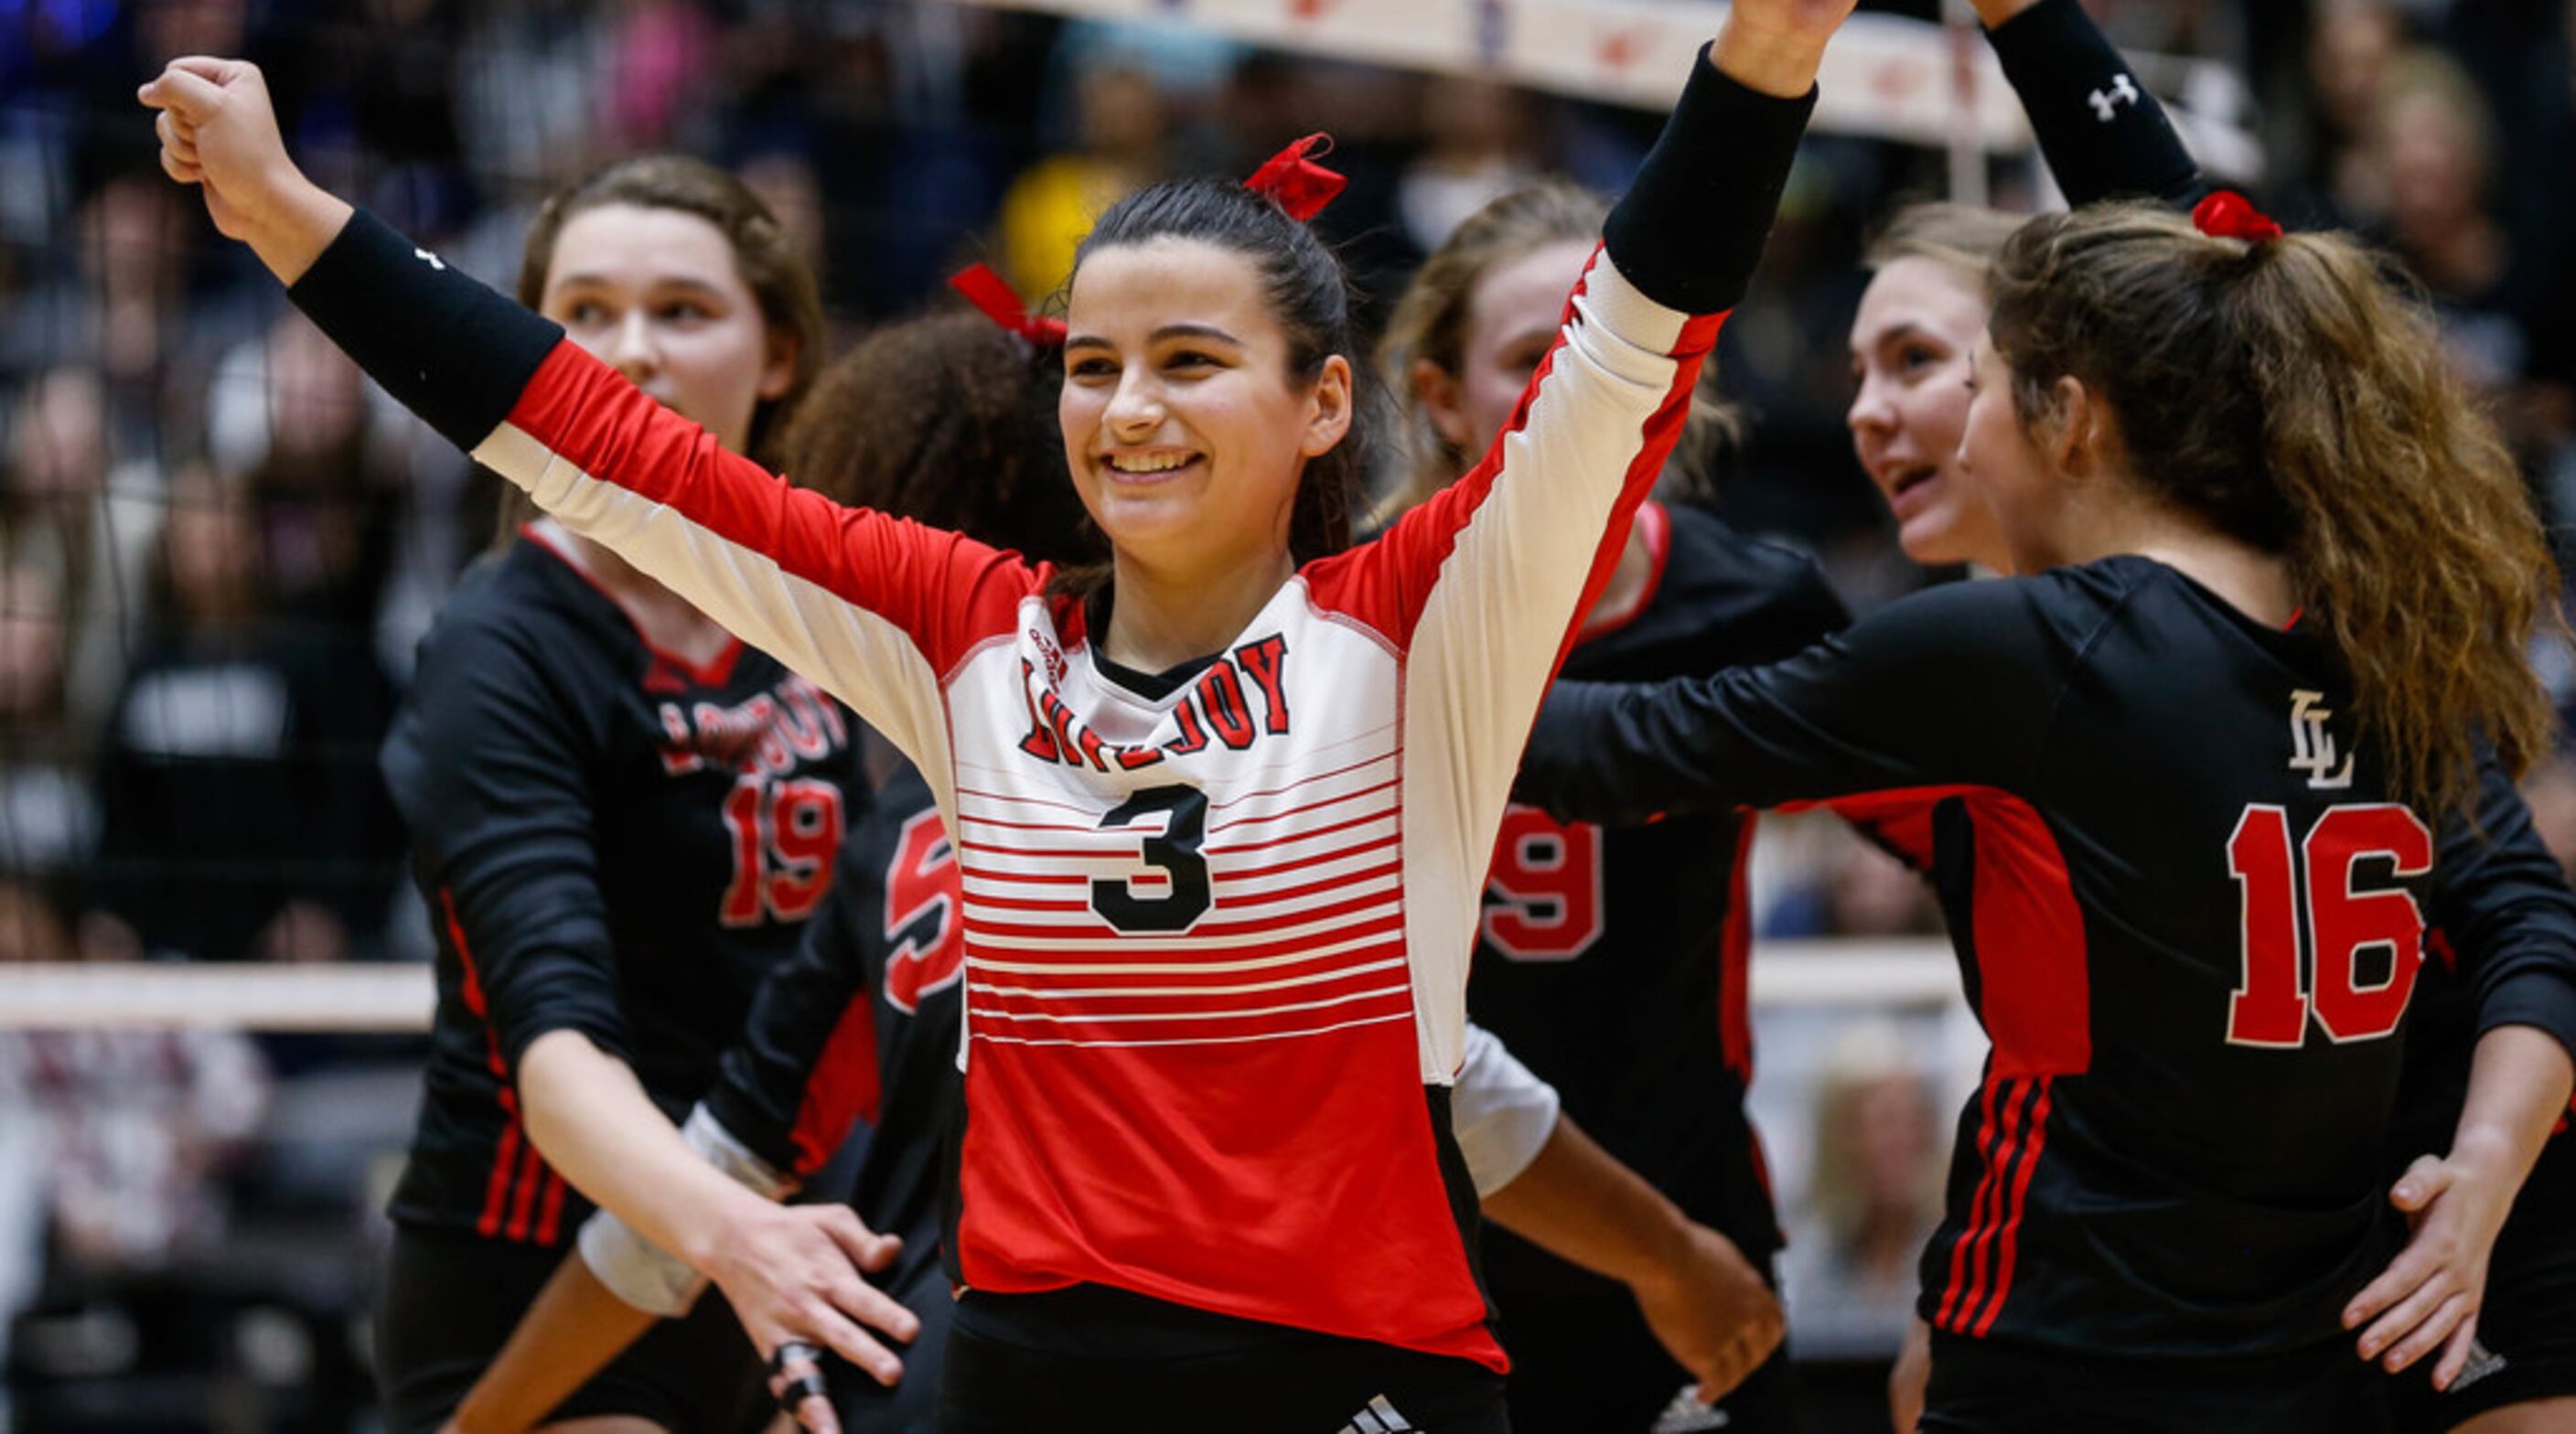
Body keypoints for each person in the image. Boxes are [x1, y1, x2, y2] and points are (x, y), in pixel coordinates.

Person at [145, 0, 1878, 1434]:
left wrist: (1762, 59)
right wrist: (297, 219)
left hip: (1358, 1377)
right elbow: (610, 449)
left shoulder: (1426, 625)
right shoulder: (965, 637)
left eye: (1191, 361)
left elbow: (1623, 357)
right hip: (1026, 1377)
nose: (1129, 408)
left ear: (1324, 401)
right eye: (1095, 366)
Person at [443, 305, 1788, 1433]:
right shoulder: (1318, 734)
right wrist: (1675, 1255)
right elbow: (1469, 1100)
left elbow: (710, 1178)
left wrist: (479, 1418)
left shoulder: (895, 845)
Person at [1871, 0, 2576, 1434]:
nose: (1881, 413)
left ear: (2068, 400)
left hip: (2464, 1162)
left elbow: (2216, 288)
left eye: (1928, 362)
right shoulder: (1995, 649)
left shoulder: (2285, 585)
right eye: (1863, 366)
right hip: (2264, 1239)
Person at [343, 154, 868, 1433]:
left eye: (683, 311)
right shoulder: (502, 644)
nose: (630, 353)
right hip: (542, 1268)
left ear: (781, 352)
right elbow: (557, 1052)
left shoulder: (841, 602)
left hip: (796, 1233)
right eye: (583, 314)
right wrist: (737, 1231)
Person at [1376, 177, 1845, 1432]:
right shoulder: (1352, 619)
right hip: (1424, 1247)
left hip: (1690, 1222)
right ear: (1437, 397)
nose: (1576, 390)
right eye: (1533, 357)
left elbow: (1971, 848)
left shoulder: (1760, 603)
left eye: (1600, 349)